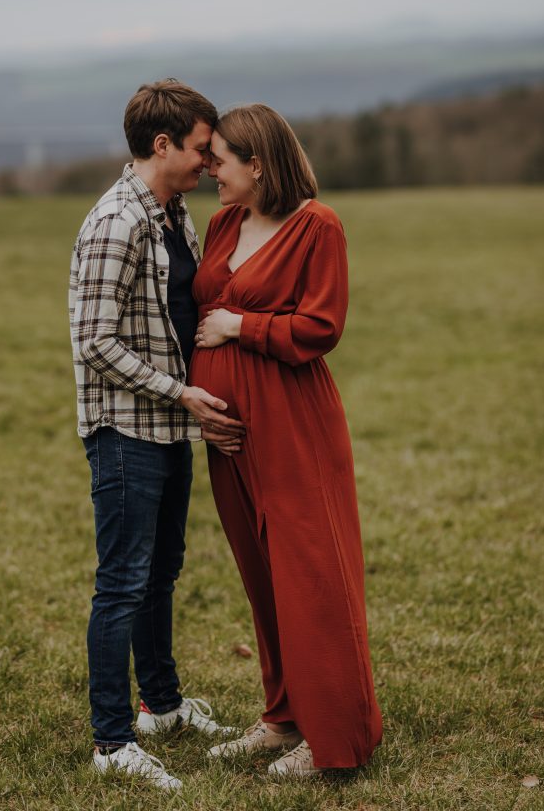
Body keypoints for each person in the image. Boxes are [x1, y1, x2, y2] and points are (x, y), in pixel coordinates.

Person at [190, 103, 383, 778]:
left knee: (311, 573)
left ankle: (336, 737)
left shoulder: (316, 226)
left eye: (219, 159)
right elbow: (200, 310)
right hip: (229, 432)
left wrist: (240, 328)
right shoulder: (223, 223)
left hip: (292, 421)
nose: (209, 170)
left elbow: (321, 326)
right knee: (261, 570)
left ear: (258, 163)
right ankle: (282, 717)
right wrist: (197, 403)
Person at [69, 79, 245, 792]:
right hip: (125, 430)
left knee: (160, 573)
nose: (209, 160)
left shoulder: (173, 214)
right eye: (202, 148)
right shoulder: (117, 220)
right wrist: (181, 393)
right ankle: (112, 742)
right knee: (121, 584)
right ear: (163, 144)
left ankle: (162, 708)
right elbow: (94, 341)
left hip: (171, 426)